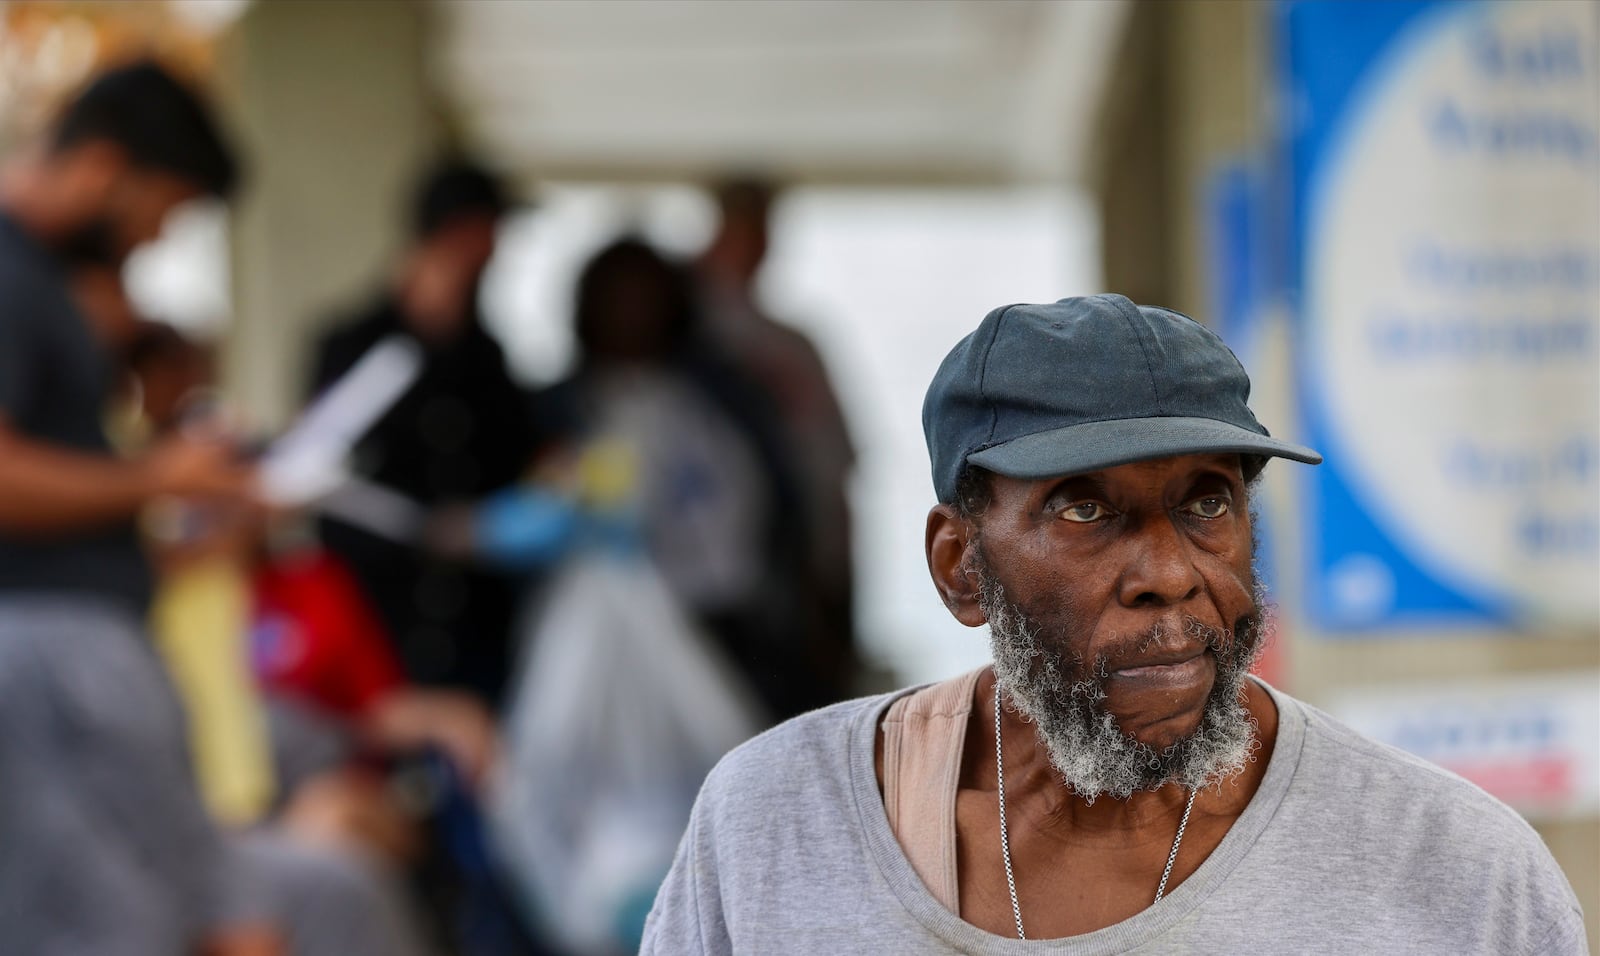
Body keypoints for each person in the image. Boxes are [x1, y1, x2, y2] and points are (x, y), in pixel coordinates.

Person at [640, 294, 1588, 953]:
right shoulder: (776, 827)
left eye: (1207, 502)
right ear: (959, 566)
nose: (1172, 575)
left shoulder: (1455, 866)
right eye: (1084, 510)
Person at [310, 159, 537, 710]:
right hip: (381, 615)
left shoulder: (488, 354)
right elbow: (320, 474)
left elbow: (511, 458)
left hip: (474, 624)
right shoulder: (352, 342)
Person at [695, 177, 858, 701]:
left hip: (789, 572)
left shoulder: (793, 347)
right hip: (705, 580)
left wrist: (834, 581)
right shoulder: (682, 340)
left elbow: (834, 471)